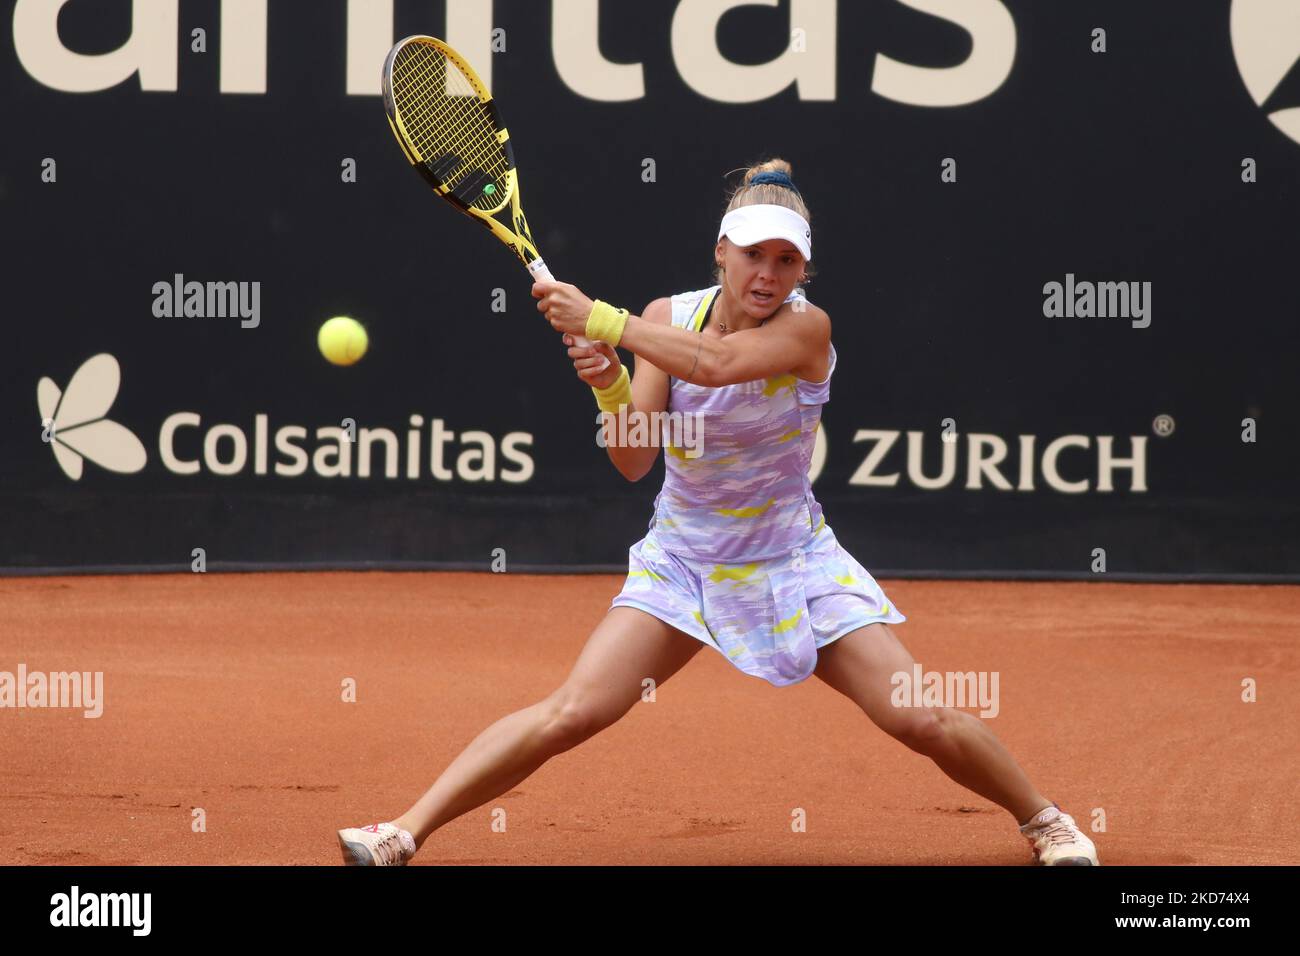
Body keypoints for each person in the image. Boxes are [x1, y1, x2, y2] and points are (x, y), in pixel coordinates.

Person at [336, 159, 1099, 867]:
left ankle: (1045, 819)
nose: (768, 275)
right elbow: (635, 456)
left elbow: (718, 364)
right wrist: (607, 383)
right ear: (721, 253)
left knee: (918, 716)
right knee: (571, 712)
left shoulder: (807, 330)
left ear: (803, 268)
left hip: (793, 562)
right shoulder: (668, 314)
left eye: (786, 260)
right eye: (753, 256)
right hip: (685, 559)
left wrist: (601, 319)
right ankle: (404, 832)